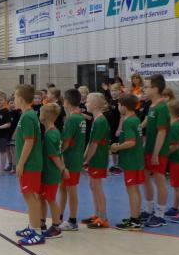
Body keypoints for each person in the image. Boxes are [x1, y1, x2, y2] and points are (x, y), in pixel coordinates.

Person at [13, 84, 44, 245]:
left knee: (31, 196)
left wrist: (20, 164)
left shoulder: (28, 117)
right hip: (29, 164)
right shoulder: (28, 115)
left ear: (21, 99)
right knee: (28, 195)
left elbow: (29, 142)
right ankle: (33, 226)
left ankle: (37, 232)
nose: (13, 99)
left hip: (30, 164)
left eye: (15, 96)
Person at [111, 94, 146, 231]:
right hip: (136, 159)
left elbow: (131, 142)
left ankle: (134, 221)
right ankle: (135, 217)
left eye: (119, 105)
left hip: (131, 161)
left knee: (132, 190)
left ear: (124, 107)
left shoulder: (129, 122)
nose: (118, 107)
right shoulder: (136, 119)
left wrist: (117, 147)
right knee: (135, 189)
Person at [142, 74, 171, 227]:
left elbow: (162, 132)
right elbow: (147, 121)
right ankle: (148, 209)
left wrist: (156, 153)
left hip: (158, 151)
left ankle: (160, 215)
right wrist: (137, 126)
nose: (144, 89)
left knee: (159, 180)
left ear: (156, 89)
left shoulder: (162, 107)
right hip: (148, 148)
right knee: (145, 177)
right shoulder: (152, 106)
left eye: (146, 87)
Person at [82, 93, 110, 229]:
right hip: (95, 159)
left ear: (95, 104)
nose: (85, 103)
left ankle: (103, 218)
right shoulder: (96, 120)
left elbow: (94, 144)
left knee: (97, 187)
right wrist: (85, 157)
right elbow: (91, 142)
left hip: (98, 159)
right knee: (93, 186)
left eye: (88, 101)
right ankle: (97, 214)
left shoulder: (100, 121)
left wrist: (86, 159)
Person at [59, 89, 85, 231]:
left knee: (71, 188)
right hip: (75, 157)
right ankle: (59, 216)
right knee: (64, 188)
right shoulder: (80, 117)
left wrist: (57, 152)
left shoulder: (72, 119)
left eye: (64, 100)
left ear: (67, 102)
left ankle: (73, 220)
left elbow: (66, 142)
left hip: (70, 159)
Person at [39, 103, 66, 240]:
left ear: (45, 116)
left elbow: (55, 156)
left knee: (50, 199)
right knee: (43, 197)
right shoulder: (53, 131)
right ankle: (41, 222)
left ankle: (56, 227)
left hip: (51, 173)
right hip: (47, 172)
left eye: (40, 112)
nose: (39, 115)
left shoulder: (50, 135)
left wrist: (63, 169)